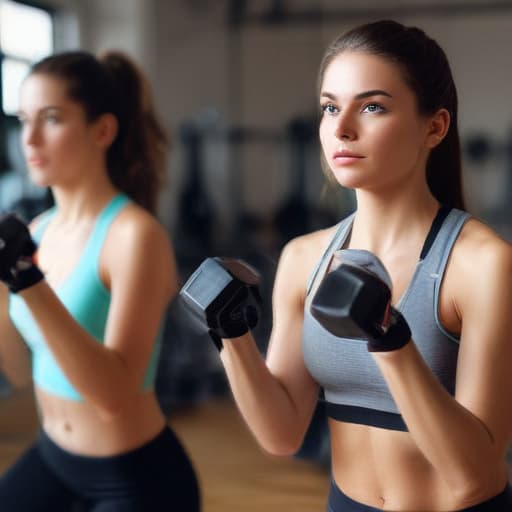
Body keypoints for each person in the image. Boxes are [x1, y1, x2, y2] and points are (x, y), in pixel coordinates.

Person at [180, 20, 512, 511]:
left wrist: (389, 338)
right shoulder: (302, 258)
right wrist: (230, 336)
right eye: (330, 107)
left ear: (434, 127)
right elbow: (282, 433)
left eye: (372, 107)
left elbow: (475, 478)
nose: (341, 128)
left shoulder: (482, 265)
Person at [0, 50, 200, 511]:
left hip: (133, 480)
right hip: (53, 457)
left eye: (51, 119)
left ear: (103, 131)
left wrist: (28, 282)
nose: (28, 138)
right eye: (23, 119)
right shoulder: (37, 232)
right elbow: (17, 368)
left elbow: (113, 395)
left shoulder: (135, 236)